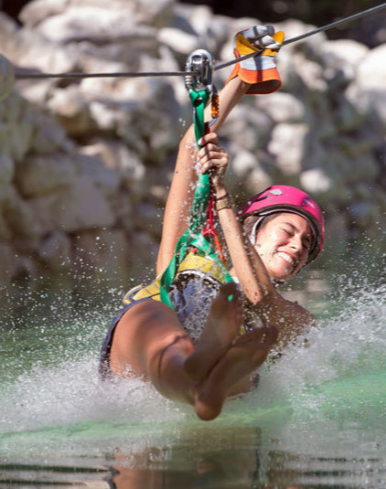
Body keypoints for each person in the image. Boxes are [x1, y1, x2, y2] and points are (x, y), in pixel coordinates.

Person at [98, 26, 325, 420]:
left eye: (306, 246)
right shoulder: (190, 249)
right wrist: (241, 78)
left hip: (226, 351)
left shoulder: (296, 317)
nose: (296, 246)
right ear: (252, 225)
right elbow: (191, 149)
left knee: (252, 343)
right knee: (157, 326)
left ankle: (209, 373)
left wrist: (220, 196)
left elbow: (260, 298)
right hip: (143, 346)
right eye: (288, 232)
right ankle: (198, 367)